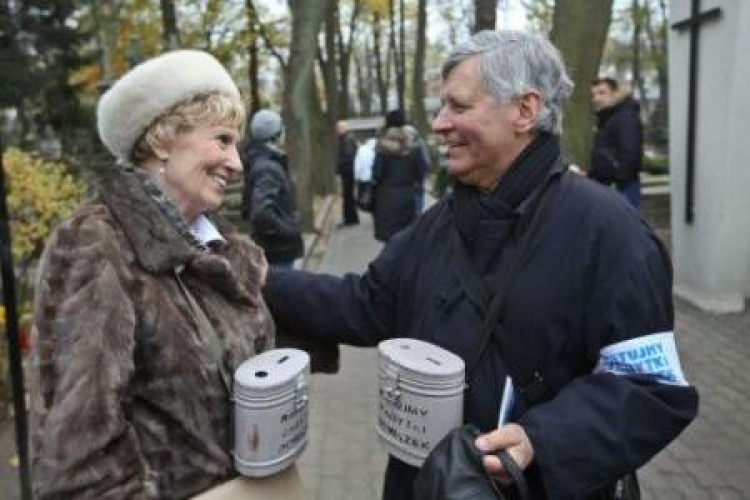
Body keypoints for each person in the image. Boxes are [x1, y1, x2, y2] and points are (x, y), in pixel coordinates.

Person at [263, 30, 698, 499]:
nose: (440, 123)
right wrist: (261, 279)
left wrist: (543, 440)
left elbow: (651, 390)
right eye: (441, 107)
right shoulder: (438, 224)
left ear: (524, 111)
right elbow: (365, 304)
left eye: (459, 106)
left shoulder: (610, 233)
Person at [29, 50, 280, 498]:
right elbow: (80, 458)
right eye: (222, 140)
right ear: (163, 140)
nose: (237, 163)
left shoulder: (220, 248)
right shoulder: (96, 247)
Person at [241, 109, 304, 268]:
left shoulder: (263, 161)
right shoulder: (268, 167)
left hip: (275, 250)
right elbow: (261, 213)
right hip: (278, 251)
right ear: (275, 134)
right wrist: (289, 230)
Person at [371, 109, 427, 242]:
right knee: (407, 239)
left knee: (390, 240)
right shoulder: (414, 147)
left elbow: (376, 174)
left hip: (386, 197)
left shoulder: (382, 148)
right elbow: (421, 172)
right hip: (408, 195)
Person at [589, 77, 644, 208]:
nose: (596, 99)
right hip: (611, 186)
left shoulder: (625, 117)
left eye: (602, 93)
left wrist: (618, 180)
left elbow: (631, 152)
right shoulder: (609, 118)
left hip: (621, 187)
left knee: (625, 227)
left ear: (616, 93)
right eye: (593, 95)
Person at [335, 120, 359, 226]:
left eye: (338, 128)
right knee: (348, 196)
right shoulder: (347, 139)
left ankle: (350, 219)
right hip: (349, 171)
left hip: (348, 172)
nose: (337, 130)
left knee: (347, 195)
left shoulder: (347, 140)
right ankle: (351, 218)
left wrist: (339, 165)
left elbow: (348, 156)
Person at [403, 124, 432, 213]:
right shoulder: (403, 145)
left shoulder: (419, 145)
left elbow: (425, 161)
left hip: (417, 179)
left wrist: (423, 174)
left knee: (418, 200)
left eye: (408, 134)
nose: (407, 136)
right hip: (407, 180)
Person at [354, 136, 378, 212]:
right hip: (371, 176)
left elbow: (357, 163)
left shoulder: (361, 149)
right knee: (369, 191)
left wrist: (356, 175)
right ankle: (368, 205)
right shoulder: (376, 151)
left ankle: (363, 205)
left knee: (362, 191)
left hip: (363, 176)